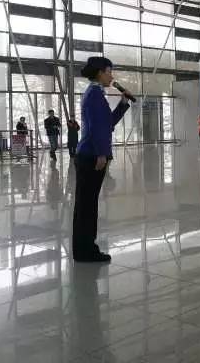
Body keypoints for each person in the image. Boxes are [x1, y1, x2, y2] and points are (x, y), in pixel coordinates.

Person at [73, 56, 131, 263]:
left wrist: (123, 104)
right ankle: (86, 251)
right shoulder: (94, 95)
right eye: (109, 71)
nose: (111, 76)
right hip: (91, 155)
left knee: (87, 205)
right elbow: (96, 129)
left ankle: (84, 249)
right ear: (100, 73)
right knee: (87, 207)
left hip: (90, 154)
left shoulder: (95, 93)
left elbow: (107, 124)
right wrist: (101, 153)